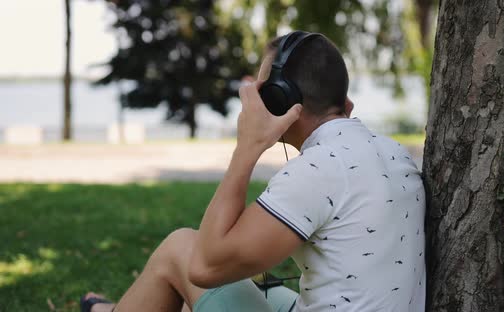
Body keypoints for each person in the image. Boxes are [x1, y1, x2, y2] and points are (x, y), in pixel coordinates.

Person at [81, 31, 426, 312]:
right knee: (196, 301)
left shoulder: (316, 171)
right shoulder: (395, 153)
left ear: (279, 100)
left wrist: (247, 147)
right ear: (345, 105)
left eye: (263, 92)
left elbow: (204, 267)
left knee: (179, 249)